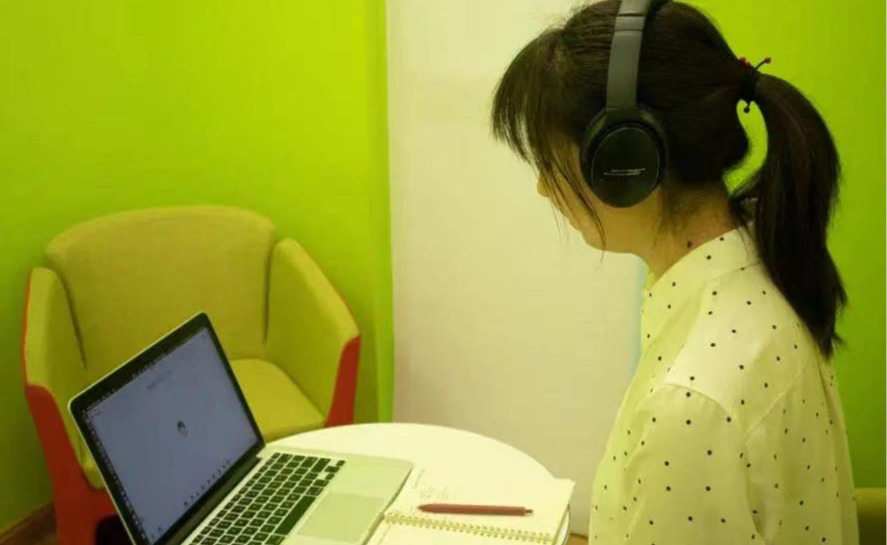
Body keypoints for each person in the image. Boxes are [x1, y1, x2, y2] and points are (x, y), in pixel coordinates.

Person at [490, 1, 858, 543]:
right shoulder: (761, 257)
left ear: (626, 159)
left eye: (551, 162)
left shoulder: (689, 406)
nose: (545, 187)